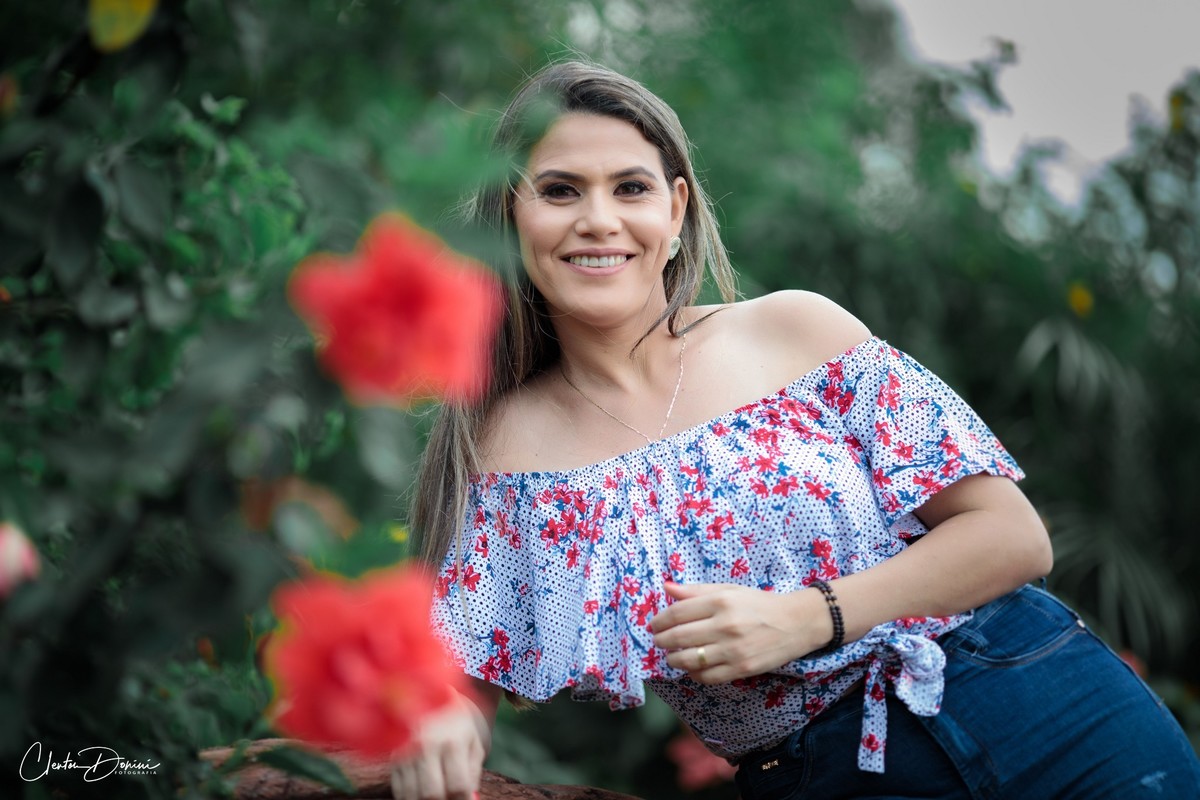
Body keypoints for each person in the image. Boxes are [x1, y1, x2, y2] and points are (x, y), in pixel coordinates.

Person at [393, 60, 1200, 800]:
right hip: (830, 776)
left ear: (675, 210)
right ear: (511, 217)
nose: (599, 220)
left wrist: (810, 617)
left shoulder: (793, 331)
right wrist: (440, 722)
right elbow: (458, 668)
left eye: (630, 188)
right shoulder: (503, 449)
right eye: (560, 190)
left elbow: (1013, 536)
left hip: (1044, 701)